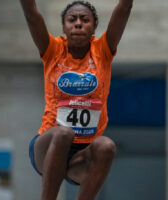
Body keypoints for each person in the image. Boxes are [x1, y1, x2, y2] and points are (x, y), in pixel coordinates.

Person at [19, 0, 133, 199]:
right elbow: (31, 14)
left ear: (94, 27)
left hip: (82, 154)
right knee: (64, 133)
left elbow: (124, 9)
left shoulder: (102, 51)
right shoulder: (53, 50)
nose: (78, 24)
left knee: (106, 146)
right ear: (63, 27)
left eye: (85, 20)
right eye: (72, 20)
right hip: (49, 146)